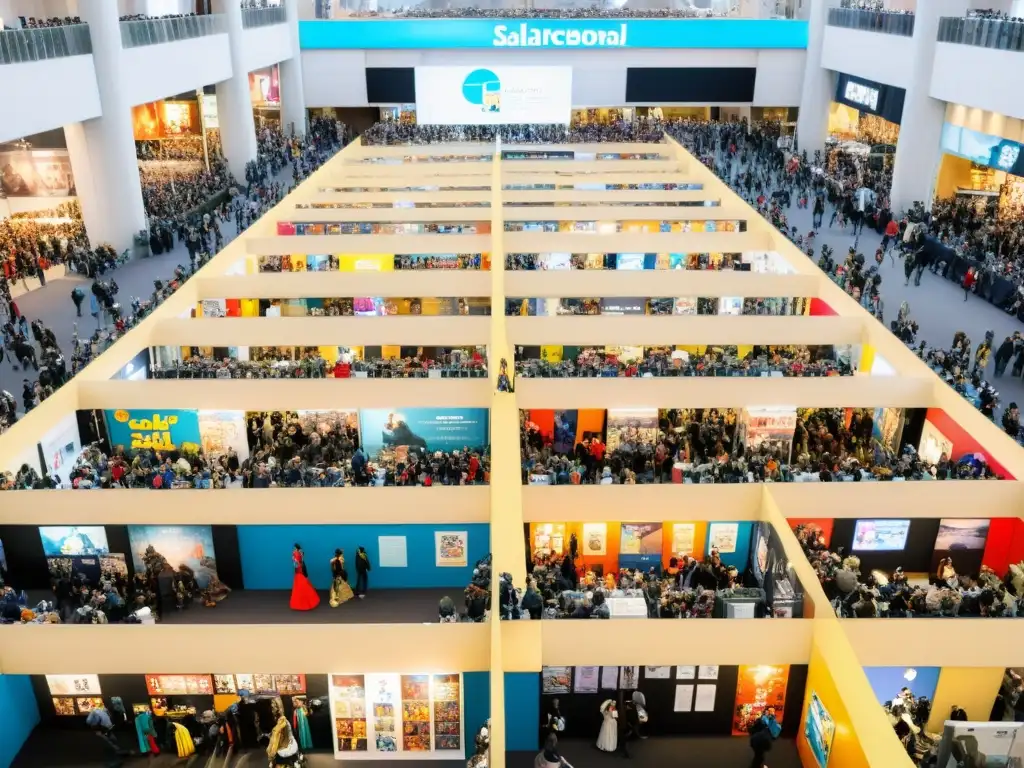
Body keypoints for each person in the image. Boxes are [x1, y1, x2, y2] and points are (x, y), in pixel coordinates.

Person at [289, 543, 320, 611]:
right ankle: (310, 599)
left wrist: (293, 558)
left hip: (298, 570)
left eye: (294, 547)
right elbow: (302, 560)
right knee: (303, 583)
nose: (294, 548)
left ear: (296, 548)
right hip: (302, 568)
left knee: (299, 585)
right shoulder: (301, 552)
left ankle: (302, 602)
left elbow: (295, 564)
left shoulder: (295, 553)